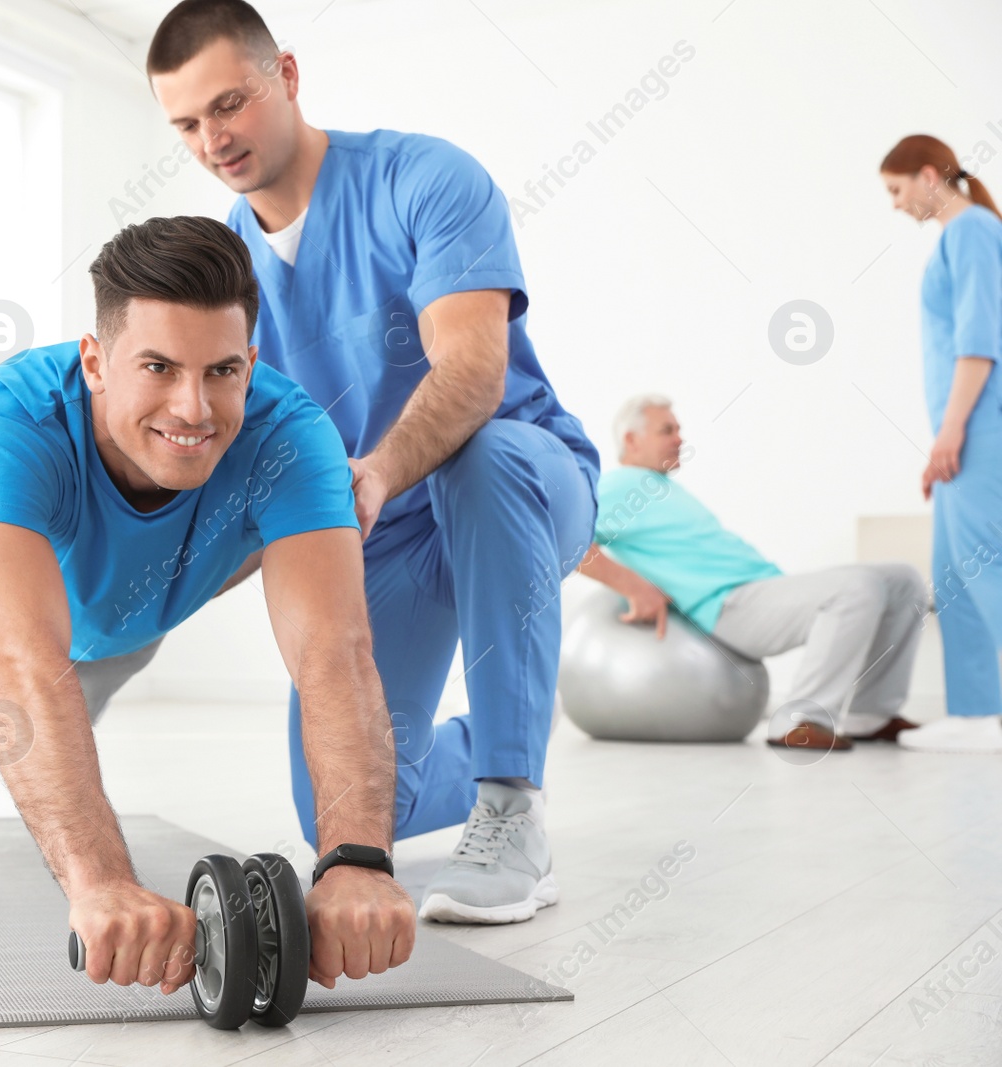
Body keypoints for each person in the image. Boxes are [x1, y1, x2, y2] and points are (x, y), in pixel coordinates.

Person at [0, 215, 415, 993]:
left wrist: (357, 858)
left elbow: (335, 651)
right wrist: (100, 883)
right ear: (95, 360)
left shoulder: (294, 437)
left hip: (125, 620)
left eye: (222, 371)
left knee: (12, 741)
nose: (193, 407)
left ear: (252, 364)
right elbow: (21, 657)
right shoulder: (6, 421)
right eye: (158, 366)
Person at [146, 0, 600, 925]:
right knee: (338, 809)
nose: (213, 139)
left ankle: (514, 806)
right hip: (383, 523)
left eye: (229, 104)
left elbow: (473, 374)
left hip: (520, 480)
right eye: (187, 123)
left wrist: (383, 471)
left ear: (289, 75)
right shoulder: (223, 270)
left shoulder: (422, 177)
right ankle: (492, 739)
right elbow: (239, 462)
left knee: (484, 457)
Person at [577, 396, 927, 749]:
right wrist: (634, 586)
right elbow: (570, 542)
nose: (679, 438)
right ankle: (800, 721)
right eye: (666, 430)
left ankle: (871, 716)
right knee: (857, 588)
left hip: (761, 589)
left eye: (680, 429)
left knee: (903, 580)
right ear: (631, 441)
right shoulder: (620, 486)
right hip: (727, 605)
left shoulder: (660, 487)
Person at [880, 134, 1002, 755]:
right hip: (960, 432)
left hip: (981, 426)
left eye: (897, 190)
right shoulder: (958, 236)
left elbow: (980, 340)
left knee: (985, 565)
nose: (896, 205)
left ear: (930, 176)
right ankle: (978, 713)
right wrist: (942, 441)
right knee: (954, 572)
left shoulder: (973, 230)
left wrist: (953, 431)